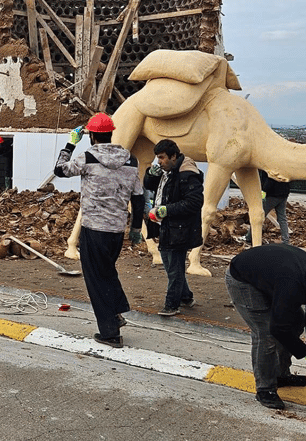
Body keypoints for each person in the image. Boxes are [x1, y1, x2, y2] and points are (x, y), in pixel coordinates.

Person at [226, 244, 306, 410]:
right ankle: (265, 389)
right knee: (266, 333)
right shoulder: (293, 284)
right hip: (244, 281)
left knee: (296, 323)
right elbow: (278, 328)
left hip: (273, 277)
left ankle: (281, 375)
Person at [54, 113, 144, 349]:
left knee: (96, 279)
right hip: (117, 230)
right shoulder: (131, 160)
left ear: (92, 136)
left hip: (94, 228)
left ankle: (110, 332)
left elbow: (60, 170)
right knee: (107, 272)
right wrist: (135, 228)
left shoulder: (89, 157)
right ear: (111, 133)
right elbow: (138, 197)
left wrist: (70, 144)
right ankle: (116, 313)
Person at [143, 139, 203, 317]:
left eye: (162, 158)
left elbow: (194, 202)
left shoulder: (187, 174)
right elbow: (149, 186)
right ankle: (186, 297)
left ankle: (172, 304)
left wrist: (166, 210)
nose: (159, 161)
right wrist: (150, 175)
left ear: (173, 156)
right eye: (158, 158)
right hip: (167, 226)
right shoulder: (167, 172)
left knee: (174, 268)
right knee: (171, 266)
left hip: (180, 229)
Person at [255, 169, 291, 245]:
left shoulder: (269, 167)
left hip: (272, 195)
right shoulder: (283, 166)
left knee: (259, 215)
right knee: (282, 218)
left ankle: (250, 237)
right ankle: (286, 240)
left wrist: (263, 191)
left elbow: (270, 179)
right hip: (283, 195)